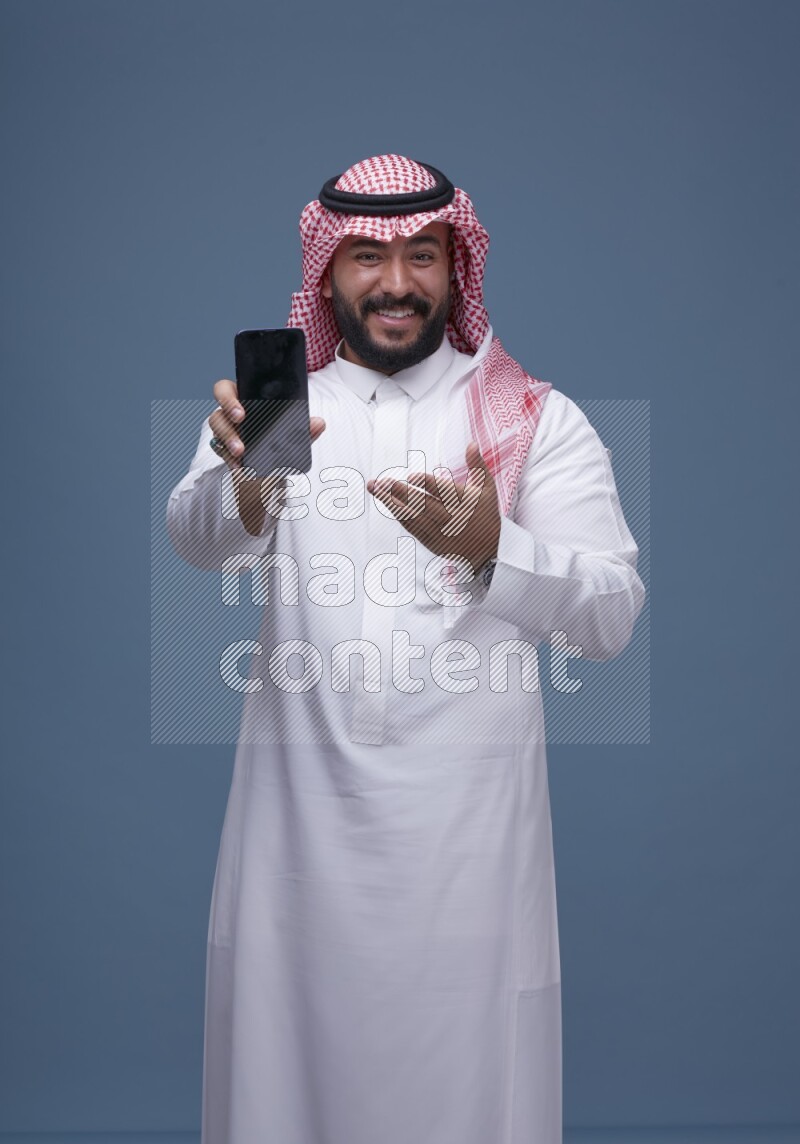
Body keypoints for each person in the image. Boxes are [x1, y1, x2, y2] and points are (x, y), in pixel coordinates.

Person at [166, 154, 645, 1144]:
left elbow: (608, 614)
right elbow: (196, 537)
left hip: (466, 853)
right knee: (281, 1081)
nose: (394, 284)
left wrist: (491, 547)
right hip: (296, 839)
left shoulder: (532, 420)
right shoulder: (276, 408)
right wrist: (248, 482)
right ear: (325, 274)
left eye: (420, 255)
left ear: (454, 267)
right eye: (365, 260)